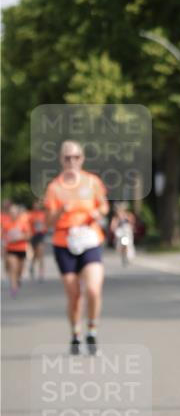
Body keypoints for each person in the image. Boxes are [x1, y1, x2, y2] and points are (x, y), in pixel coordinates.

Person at [44, 140, 109, 355]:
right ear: (61, 160)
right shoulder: (54, 188)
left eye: (76, 157)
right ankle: (75, 334)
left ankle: (92, 330)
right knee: (74, 295)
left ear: (82, 159)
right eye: (67, 158)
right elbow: (49, 222)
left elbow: (104, 206)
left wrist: (98, 213)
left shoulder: (92, 182)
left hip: (90, 239)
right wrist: (61, 211)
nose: (72, 161)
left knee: (93, 289)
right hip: (65, 242)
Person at [2, 203, 32, 297]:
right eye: (11, 212)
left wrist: (19, 237)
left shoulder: (23, 223)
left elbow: (28, 235)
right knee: (13, 267)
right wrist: (3, 247)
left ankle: (18, 279)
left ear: (18, 213)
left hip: (21, 249)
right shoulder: (6, 223)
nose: (13, 214)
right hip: (10, 249)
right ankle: (13, 287)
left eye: (14, 212)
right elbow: (3, 237)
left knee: (20, 269)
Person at [28, 198, 48, 281]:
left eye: (38, 205)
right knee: (35, 254)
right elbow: (27, 226)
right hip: (33, 236)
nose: (37, 206)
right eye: (35, 205)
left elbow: (46, 224)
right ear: (33, 206)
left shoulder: (43, 214)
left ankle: (41, 273)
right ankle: (32, 266)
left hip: (41, 235)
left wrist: (44, 228)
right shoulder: (30, 215)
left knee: (41, 254)